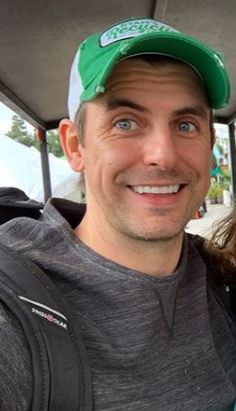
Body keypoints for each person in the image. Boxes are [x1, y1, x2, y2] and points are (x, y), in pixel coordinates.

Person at [0, 17, 235, 411]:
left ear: (209, 144)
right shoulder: (13, 308)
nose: (162, 153)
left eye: (185, 124)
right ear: (75, 146)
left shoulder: (220, 276)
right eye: (125, 123)